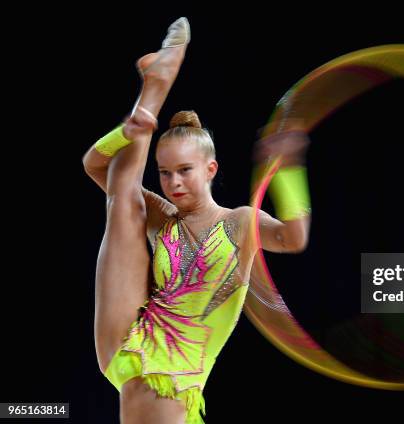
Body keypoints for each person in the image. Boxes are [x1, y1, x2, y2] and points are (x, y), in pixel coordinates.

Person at [82, 17, 311, 423]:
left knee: (126, 193)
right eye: (165, 173)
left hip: (177, 371)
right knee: (125, 198)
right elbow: (94, 165)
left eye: (184, 170)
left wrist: (288, 170)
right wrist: (126, 132)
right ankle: (150, 98)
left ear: (210, 168)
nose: (173, 183)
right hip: (129, 337)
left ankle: (155, 86)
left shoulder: (240, 221)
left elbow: (294, 238)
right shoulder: (163, 215)